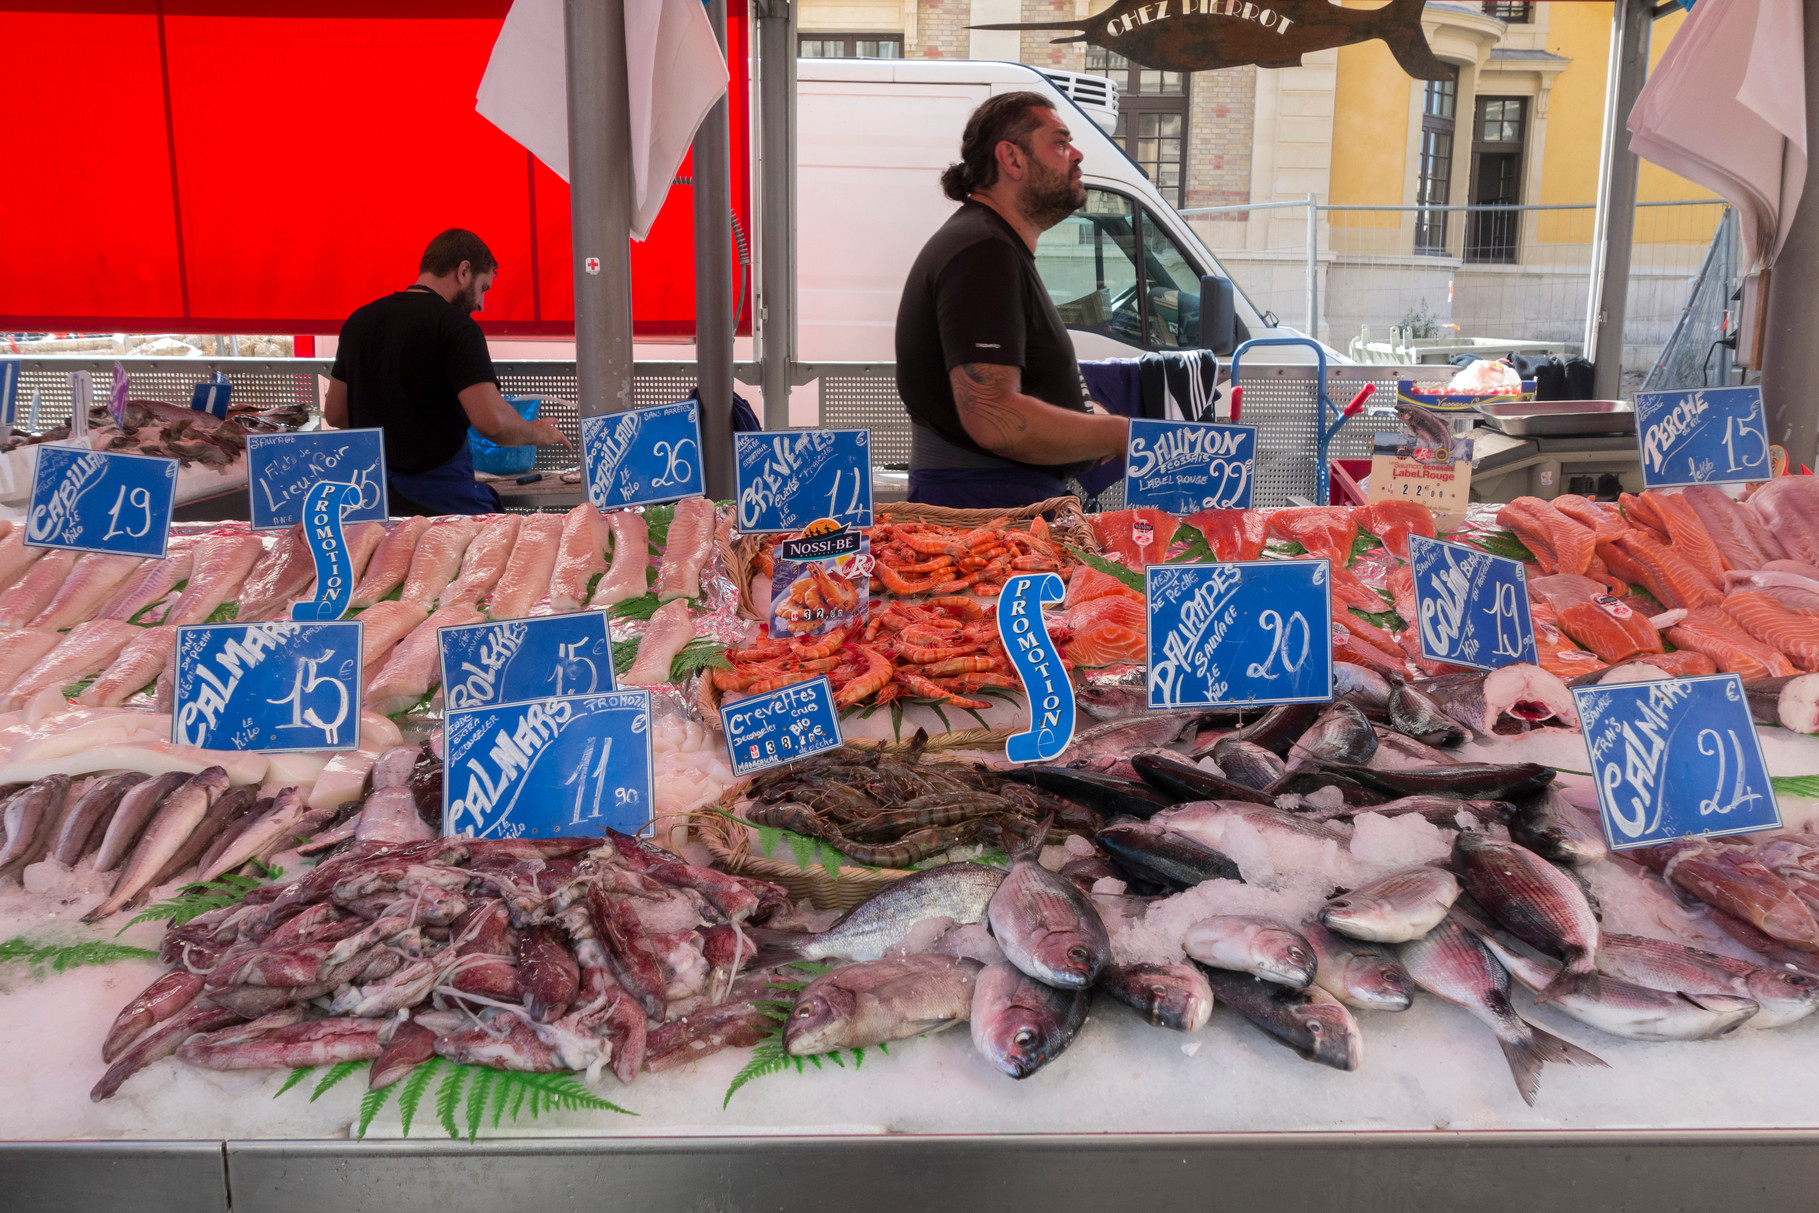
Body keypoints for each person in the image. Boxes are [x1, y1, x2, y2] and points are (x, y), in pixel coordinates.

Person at [894, 92, 1128, 509]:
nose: (1076, 155)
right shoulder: (983, 252)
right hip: (986, 508)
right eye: (1059, 142)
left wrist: (1088, 418)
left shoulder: (990, 243)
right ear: (1012, 159)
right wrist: (1117, 435)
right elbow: (991, 417)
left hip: (999, 500)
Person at [324, 229, 571, 515]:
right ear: (464, 271)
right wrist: (534, 433)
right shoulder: (456, 328)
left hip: (373, 502)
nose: (480, 304)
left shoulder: (359, 321)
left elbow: (337, 414)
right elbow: (492, 423)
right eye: (483, 289)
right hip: (441, 504)